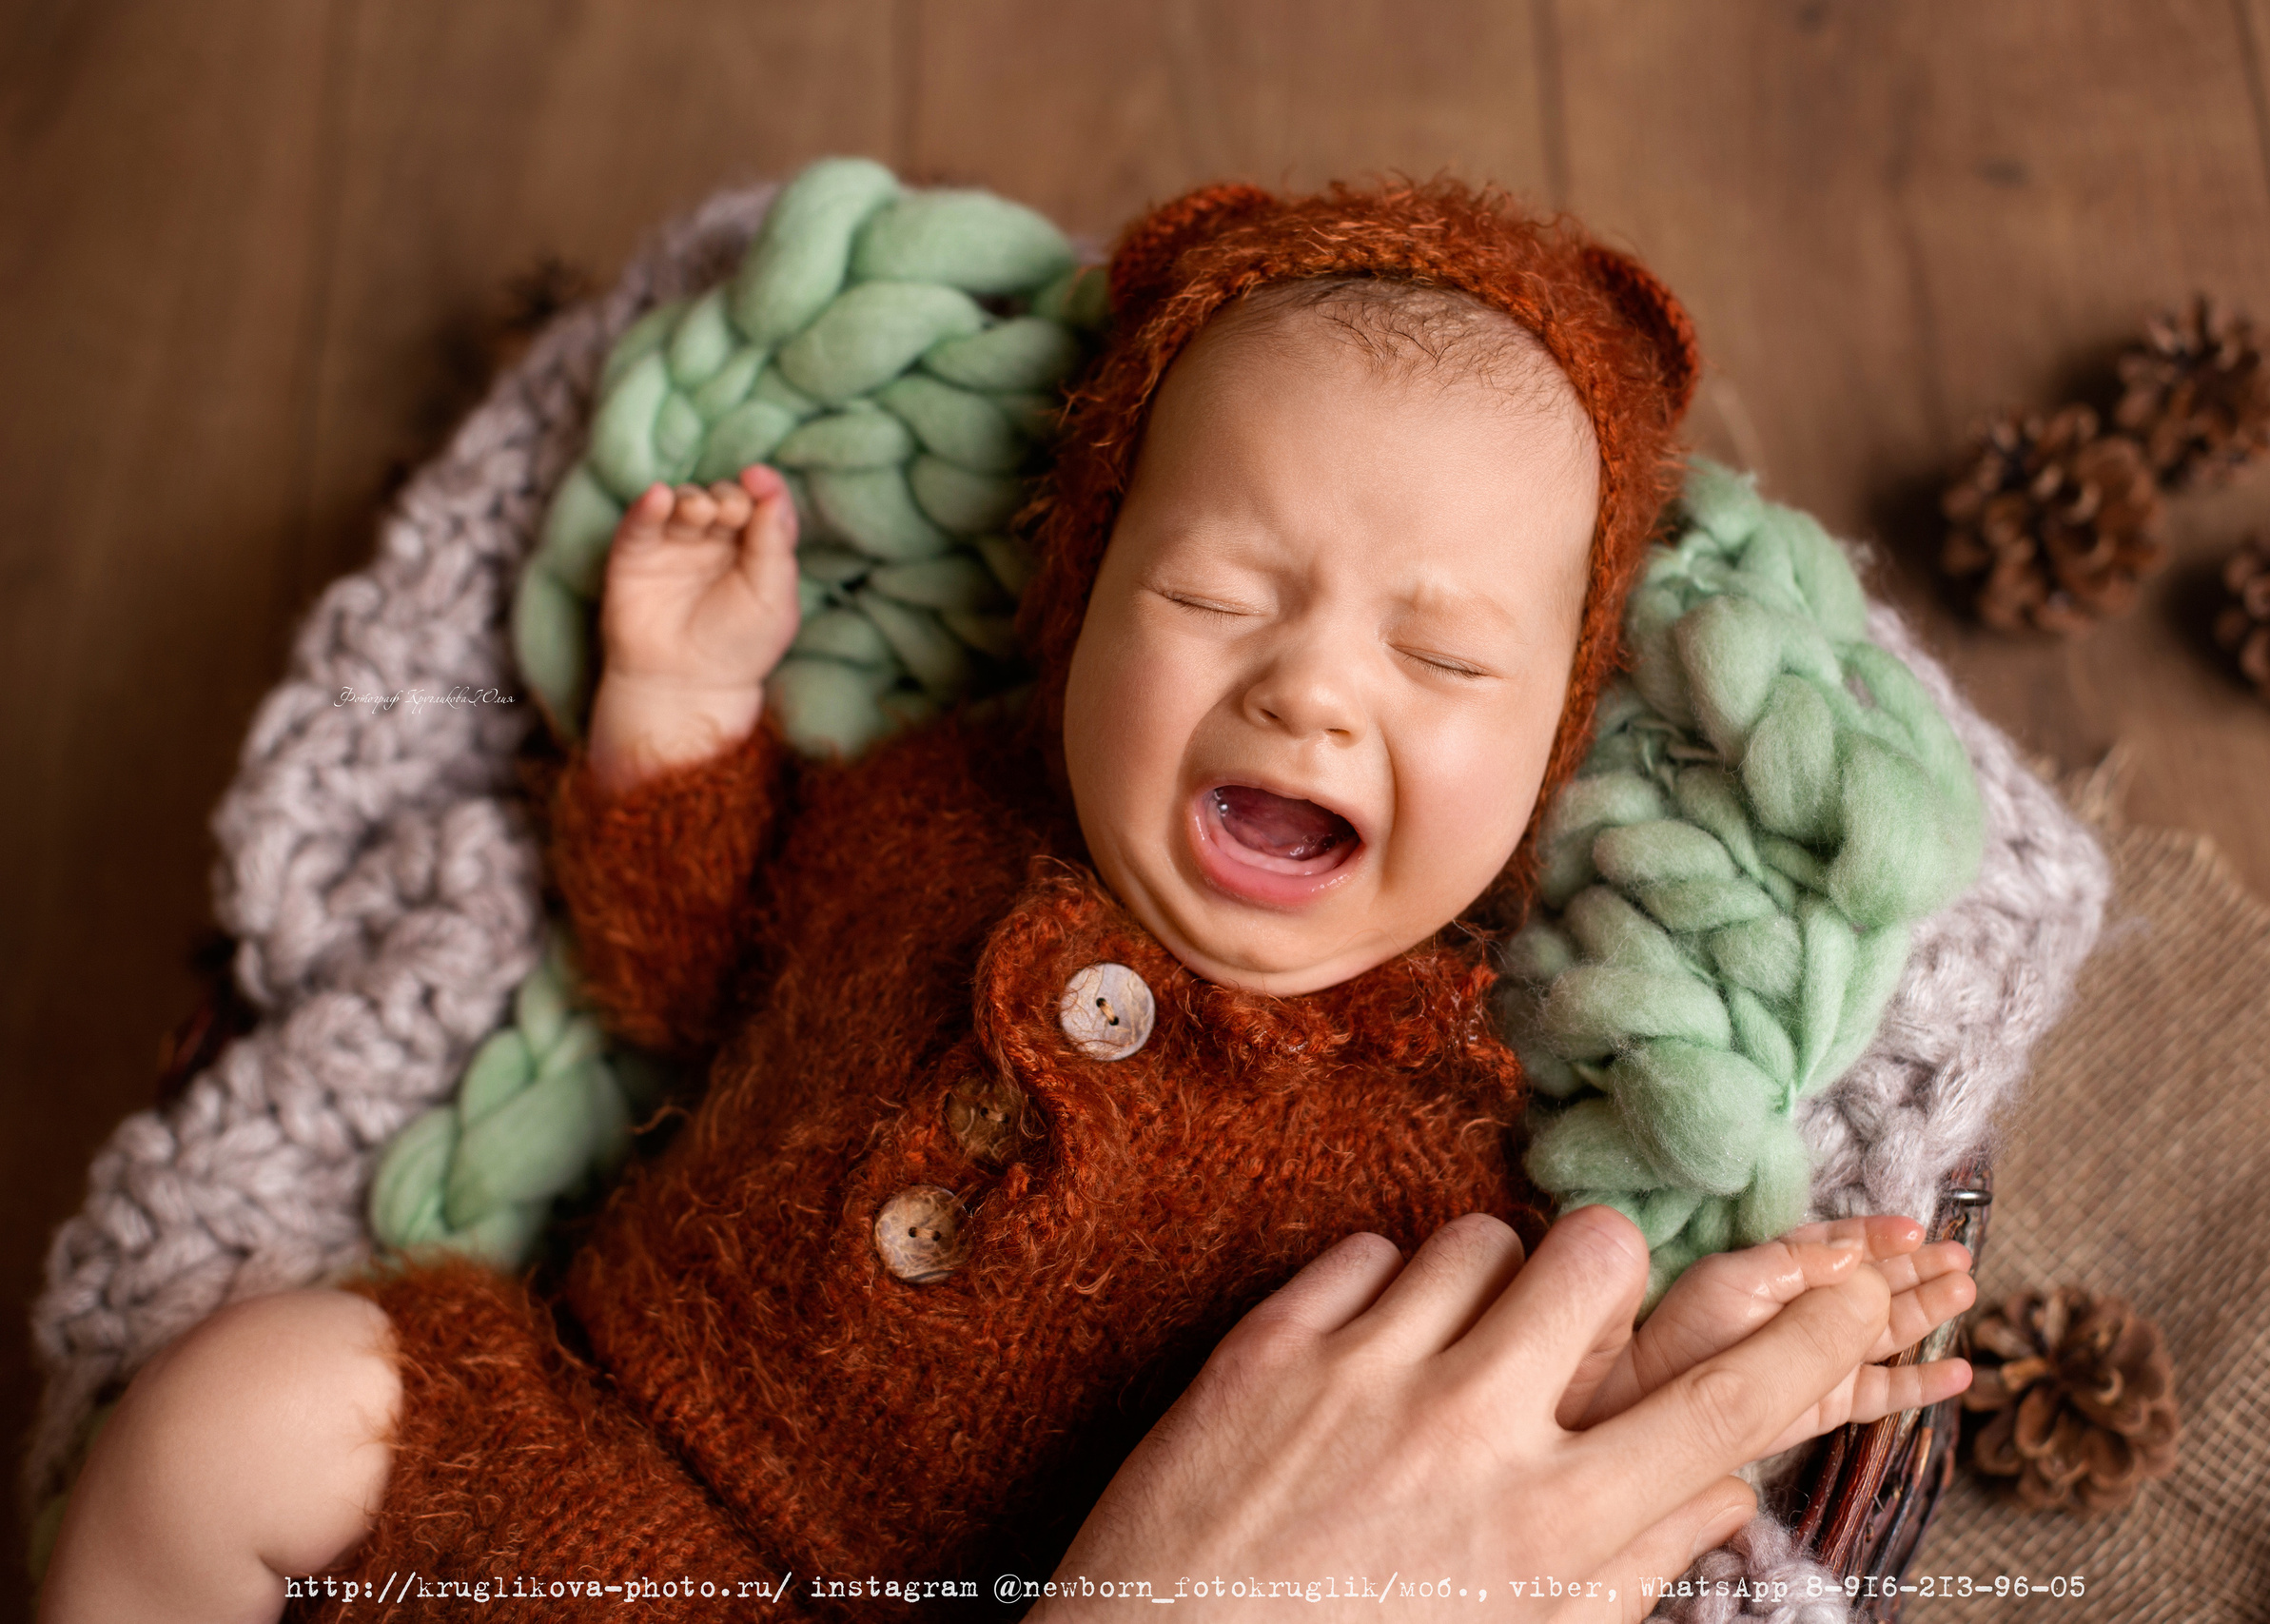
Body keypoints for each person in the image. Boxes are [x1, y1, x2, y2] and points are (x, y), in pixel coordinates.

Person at [36, 179, 1974, 1622]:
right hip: (570, 1448)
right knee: (232, 1409)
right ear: (1074, 610)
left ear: (1546, 749)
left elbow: (1480, 1459)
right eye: (1218, 593)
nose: (1308, 688)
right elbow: (679, 956)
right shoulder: (930, 826)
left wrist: (1699, 1331)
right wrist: (676, 714)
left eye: (1440, 658)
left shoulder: (1432, 1133)